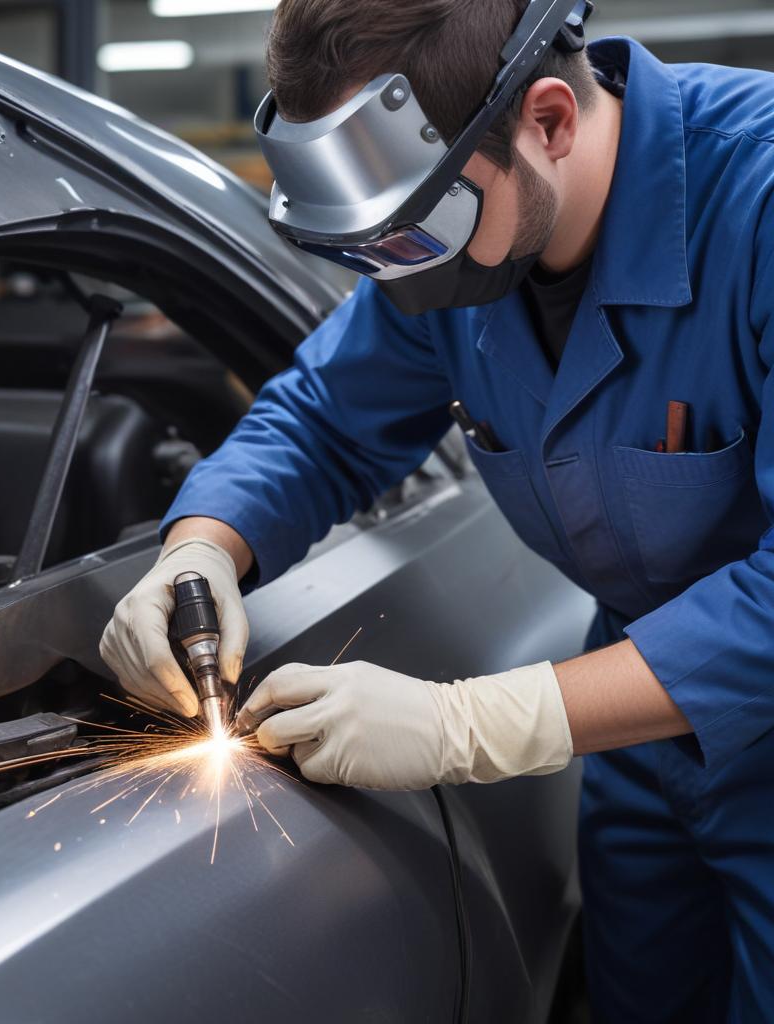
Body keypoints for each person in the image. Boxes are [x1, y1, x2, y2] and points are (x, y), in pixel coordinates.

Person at [101, 1, 774, 1019]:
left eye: (413, 231)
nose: (399, 276)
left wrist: (474, 722)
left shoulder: (757, 204)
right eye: (370, 248)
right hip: (641, 734)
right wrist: (200, 551)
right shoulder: (456, 235)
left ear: (548, 119)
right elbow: (327, 418)